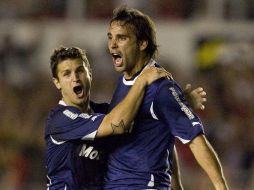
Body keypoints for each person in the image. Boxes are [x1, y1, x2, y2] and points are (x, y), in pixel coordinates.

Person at [104, 5, 229, 189]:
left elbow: (196, 140)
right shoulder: (126, 79)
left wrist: (221, 186)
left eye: (121, 38)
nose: (113, 44)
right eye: (110, 37)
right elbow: (164, 134)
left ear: (142, 44)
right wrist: (176, 185)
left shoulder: (160, 88)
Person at [44, 46, 171, 190]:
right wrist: (141, 81)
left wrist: (179, 103)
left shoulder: (104, 111)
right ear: (57, 82)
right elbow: (117, 123)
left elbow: (151, 122)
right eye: (67, 74)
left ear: (89, 74)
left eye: (80, 70)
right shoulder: (60, 119)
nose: (75, 78)